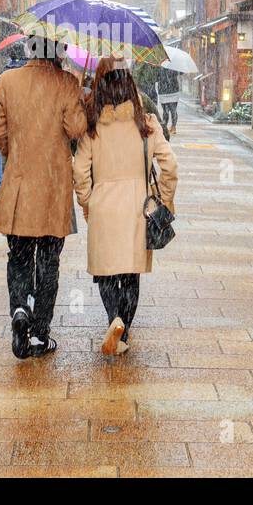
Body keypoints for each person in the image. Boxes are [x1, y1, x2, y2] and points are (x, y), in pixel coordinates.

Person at [0, 37, 88, 359]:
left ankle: (19, 307)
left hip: (18, 186)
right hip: (53, 188)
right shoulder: (66, 83)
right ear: (58, 51)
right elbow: (75, 129)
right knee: (48, 262)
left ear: (30, 48)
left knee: (17, 256)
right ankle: (40, 333)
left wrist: (13, 155)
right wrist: (77, 96)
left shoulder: (7, 81)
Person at [73, 56, 178, 356]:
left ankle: (113, 319)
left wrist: (87, 202)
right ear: (131, 86)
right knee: (130, 274)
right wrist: (165, 200)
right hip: (138, 209)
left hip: (103, 207)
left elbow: (80, 171)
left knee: (106, 273)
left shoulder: (93, 129)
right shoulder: (146, 124)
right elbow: (170, 165)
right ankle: (124, 328)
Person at [0, 42, 27, 199]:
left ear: (10, 55)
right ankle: (16, 185)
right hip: (21, 121)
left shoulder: (1, 75)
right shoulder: (28, 75)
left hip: (2, 119)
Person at [155, 66, 181, 137]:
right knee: (173, 110)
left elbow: (156, 78)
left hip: (164, 90)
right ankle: (173, 127)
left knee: (165, 111)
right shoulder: (175, 64)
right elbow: (181, 72)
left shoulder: (160, 65)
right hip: (173, 89)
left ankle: (165, 127)